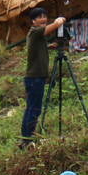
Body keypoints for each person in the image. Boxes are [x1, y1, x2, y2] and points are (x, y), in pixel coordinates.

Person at [20, 8, 66, 149]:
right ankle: (27, 139)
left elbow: (37, 46)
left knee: (30, 108)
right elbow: (48, 29)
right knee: (34, 109)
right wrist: (59, 22)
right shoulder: (35, 32)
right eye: (39, 17)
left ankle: (26, 138)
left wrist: (49, 47)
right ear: (33, 21)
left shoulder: (36, 35)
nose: (43, 19)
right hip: (35, 78)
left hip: (33, 78)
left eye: (45, 16)